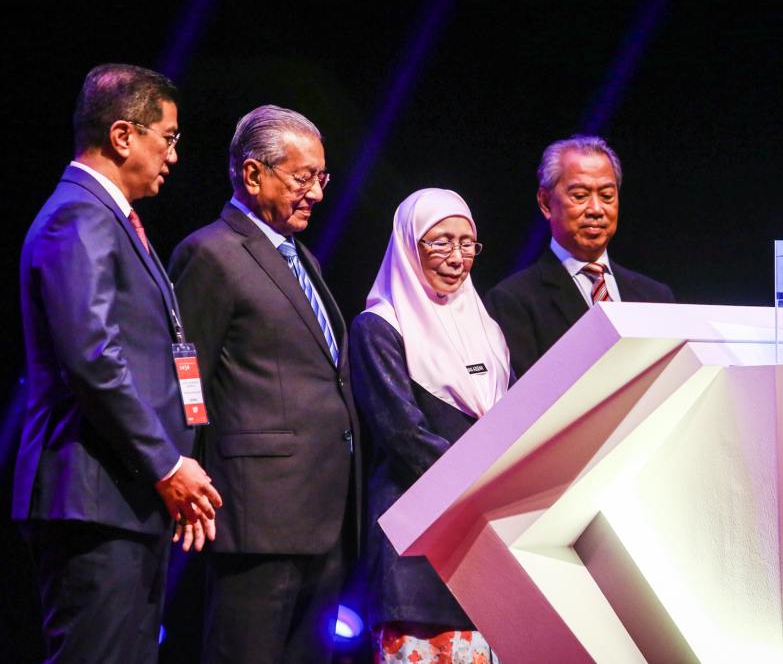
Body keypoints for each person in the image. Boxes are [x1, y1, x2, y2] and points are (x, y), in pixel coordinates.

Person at [14, 63, 222, 663]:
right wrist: (165, 465)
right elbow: (94, 360)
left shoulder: (112, 220)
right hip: (92, 498)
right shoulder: (77, 216)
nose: (175, 156)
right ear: (125, 135)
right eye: (170, 137)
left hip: (122, 499)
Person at [168, 105, 361, 663]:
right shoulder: (211, 253)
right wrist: (185, 475)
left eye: (322, 178)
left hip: (322, 516)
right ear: (253, 175)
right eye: (303, 178)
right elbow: (186, 381)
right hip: (255, 518)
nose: (317, 193)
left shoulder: (304, 260)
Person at [350, 188, 511, 663]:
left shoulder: (489, 330)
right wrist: (489, 479)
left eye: (467, 244)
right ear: (408, 245)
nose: (457, 257)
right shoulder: (379, 327)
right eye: (440, 242)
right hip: (417, 548)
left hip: (482, 539)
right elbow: (404, 435)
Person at [485, 135, 675, 376]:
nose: (596, 209)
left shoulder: (656, 296)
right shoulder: (513, 301)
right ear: (545, 203)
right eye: (580, 195)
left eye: (607, 195)